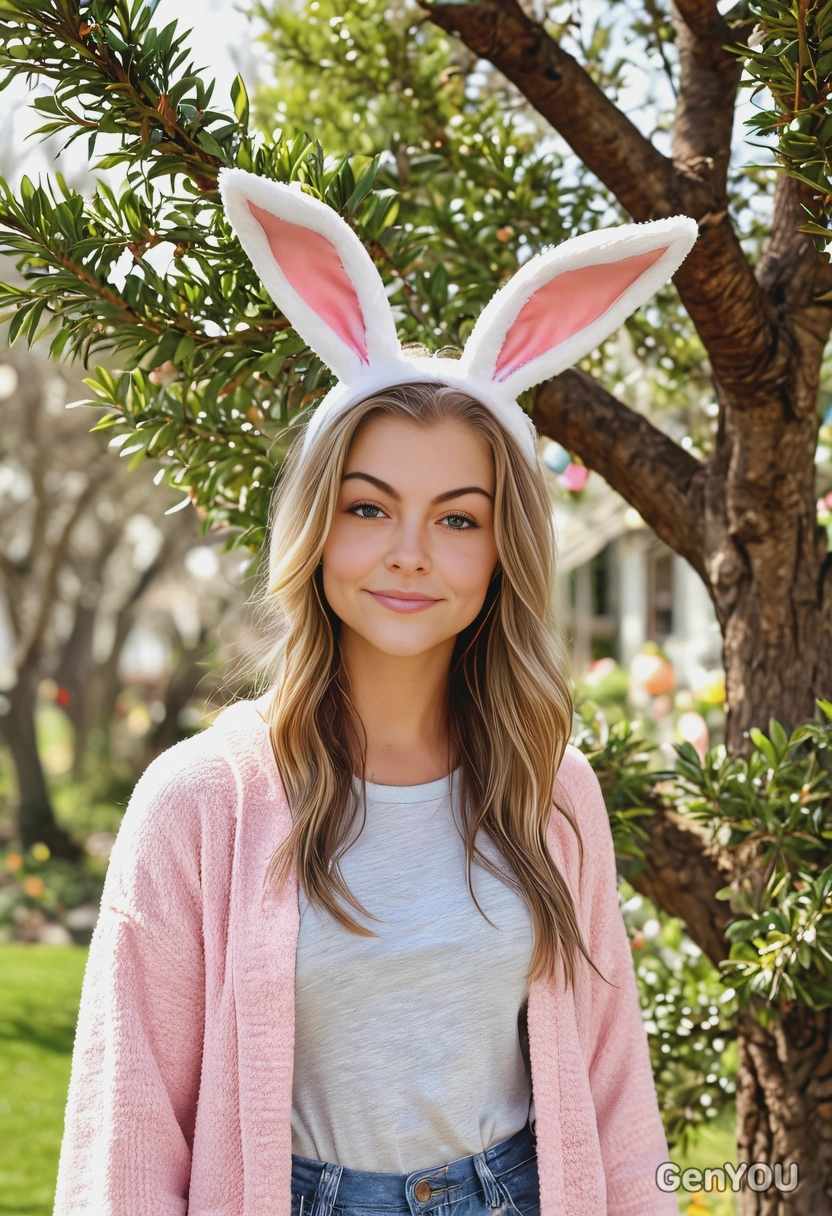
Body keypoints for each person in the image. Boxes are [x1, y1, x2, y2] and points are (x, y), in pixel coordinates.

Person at [52, 172, 697, 1216]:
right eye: (367, 507)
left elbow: (614, 1096)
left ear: (502, 547)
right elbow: (126, 1136)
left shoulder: (550, 789)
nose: (407, 555)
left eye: (456, 518)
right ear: (316, 528)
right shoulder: (198, 804)